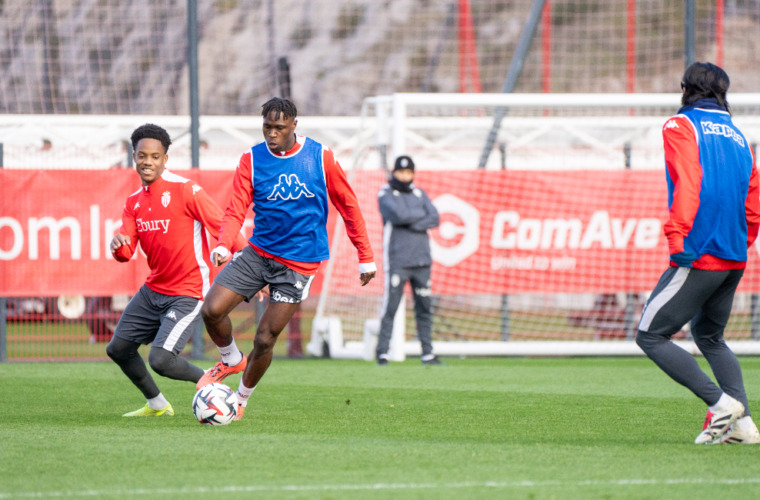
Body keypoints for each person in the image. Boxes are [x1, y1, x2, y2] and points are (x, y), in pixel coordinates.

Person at [199, 97, 376, 420]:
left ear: (294, 125)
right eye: (267, 127)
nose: (272, 133)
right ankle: (230, 359)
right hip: (259, 252)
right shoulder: (251, 160)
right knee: (211, 309)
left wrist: (365, 256)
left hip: (299, 263)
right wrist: (224, 244)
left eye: (279, 127)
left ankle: (240, 399)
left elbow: (348, 205)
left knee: (265, 338)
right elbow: (236, 208)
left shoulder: (320, 158)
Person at [635, 62, 760, 444]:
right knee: (710, 337)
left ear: (685, 88)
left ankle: (720, 404)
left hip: (699, 251)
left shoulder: (680, 125)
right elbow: (753, 200)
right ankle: (744, 428)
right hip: (733, 255)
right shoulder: (739, 136)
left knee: (650, 335)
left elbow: (689, 180)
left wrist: (678, 236)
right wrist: (744, 242)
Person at [107, 123, 247, 417]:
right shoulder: (133, 203)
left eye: (155, 156)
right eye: (142, 156)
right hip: (153, 290)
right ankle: (158, 406)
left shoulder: (186, 190)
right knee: (118, 349)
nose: (148, 162)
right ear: (134, 157)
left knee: (160, 359)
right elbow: (126, 252)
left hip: (187, 292)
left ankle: (212, 388)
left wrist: (250, 266)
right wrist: (117, 244)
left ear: (165, 159)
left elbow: (224, 226)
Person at [376, 155, 440, 365]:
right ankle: (382, 353)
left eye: (409, 172)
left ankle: (427, 353)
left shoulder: (420, 193)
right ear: (394, 172)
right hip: (398, 261)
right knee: (391, 308)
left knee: (424, 308)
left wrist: (410, 218)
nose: (405, 176)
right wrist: (418, 217)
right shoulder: (385, 193)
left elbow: (435, 218)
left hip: (421, 261)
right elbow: (397, 216)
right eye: (401, 172)